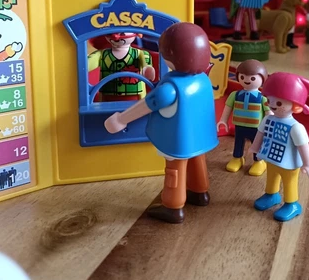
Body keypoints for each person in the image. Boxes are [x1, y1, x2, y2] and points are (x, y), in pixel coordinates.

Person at [104, 22, 218, 224]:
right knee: (197, 160)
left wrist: (121, 119)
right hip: (200, 136)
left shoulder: (170, 88)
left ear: (170, 56)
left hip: (176, 139)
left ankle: (173, 206)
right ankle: (200, 193)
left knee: (175, 169)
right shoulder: (203, 80)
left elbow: (147, 105)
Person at [250, 72, 309, 222]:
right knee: (271, 177)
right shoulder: (268, 119)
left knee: (289, 183)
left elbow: (303, 146)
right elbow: (260, 134)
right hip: (270, 156)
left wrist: (308, 164)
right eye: (270, 100)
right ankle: (271, 195)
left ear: (296, 106)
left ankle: (292, 204)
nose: (273, 105)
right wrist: (255, 148)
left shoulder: (296, 127)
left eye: (279, 103)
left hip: (289, 163)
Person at [218, 60, 270, 176]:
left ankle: (259, 162)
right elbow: (228, 107)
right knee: (238, 142)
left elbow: (269, 113)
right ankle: (237, 158)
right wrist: (223, 120)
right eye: (242, 77)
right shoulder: (235, 95)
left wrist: (268, 126)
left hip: (256, 128)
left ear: (262, 79)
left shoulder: (262, 98)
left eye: (252, 78)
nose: (247, 80)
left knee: (256, 144)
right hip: (239, 125)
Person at [88, 32, 155, 102]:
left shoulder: (140, 54)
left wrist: (147, 69)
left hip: (135, 98)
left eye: (122, 33)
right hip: (107, 98)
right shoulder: (101, 54)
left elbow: (146, 64)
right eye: (110, 33)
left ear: (137, 34)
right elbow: (88, 64)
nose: (115, 36)